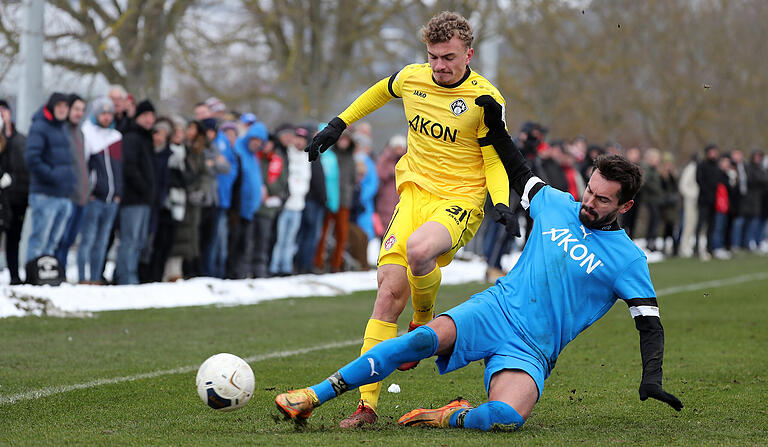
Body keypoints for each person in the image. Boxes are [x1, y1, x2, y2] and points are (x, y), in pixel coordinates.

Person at [276, 96, 683, 431]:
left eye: (602, 200)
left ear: (626, 205)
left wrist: (652, 376)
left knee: (505, 419)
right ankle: (312, 397)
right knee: (418, 341)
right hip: (495, 309)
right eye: (590, 192)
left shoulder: (629, 259)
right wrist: (494, 124)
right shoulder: (555, 203)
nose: (589, 203)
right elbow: (515, 163)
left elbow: (649, 324)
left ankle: (452, 415)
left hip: (532, 350)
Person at [302, 12, 514, 427]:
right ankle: (366, 406)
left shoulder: (486, 98)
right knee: (386, 292)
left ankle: (423, 317)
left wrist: (501, 202)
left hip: (459, 200)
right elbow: (380, 92)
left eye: (449, 57)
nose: (439, 66)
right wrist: (339, 124)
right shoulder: (413, 78)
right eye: (434, 57)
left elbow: (493, 156)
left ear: (468, 53)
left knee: (419, 251)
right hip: (413, 194)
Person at [24, 92, 75, 263]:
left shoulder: (63, 127)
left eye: (65, 107)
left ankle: (47, 276)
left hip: (63, 194)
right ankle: (33, 276)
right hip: (45, 193)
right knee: (39, 239)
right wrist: (52, 176)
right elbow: (32, 158)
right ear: (52, 107)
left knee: (53, 242)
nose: (62, 110)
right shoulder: (40, 126)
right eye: (59, 106)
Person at [77, 97, 122, 284]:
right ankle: (82, 277)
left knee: (102, 242)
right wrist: (89, 192)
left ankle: (96, 277)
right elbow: (83, 166)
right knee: (87, 240)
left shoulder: (116, 137)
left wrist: (119, 192)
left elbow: (119, 168)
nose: (106, 117)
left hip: (112, 199)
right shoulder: (87, 133)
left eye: (109, 113)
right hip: (94, 198)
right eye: (103, 113)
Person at [116, 99, 156, 285]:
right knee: (129, 240)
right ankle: (126, 276)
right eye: (145, 116)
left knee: (138, 241)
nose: (149, 120)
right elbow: (130, 168)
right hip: (133, 199)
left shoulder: (147, 139)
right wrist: (143, 187)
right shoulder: (132, 137)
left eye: (151, 116)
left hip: (144, 199)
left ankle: (131, 274)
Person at [55, 94, 88, 270]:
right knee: (60, 238)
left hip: (81, 195)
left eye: (82, 110)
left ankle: (62, 271)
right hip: (67, 195)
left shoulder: (80, 132)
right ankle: (56, 272)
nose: (79, 113)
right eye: (76, 109)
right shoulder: (62, 131)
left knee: (69, 240)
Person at [0, 99, 29, 285]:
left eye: (4, 110)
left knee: (14, 238)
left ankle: (14, 275)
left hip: (19, 196)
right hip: (2, 197)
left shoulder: (21, 139)